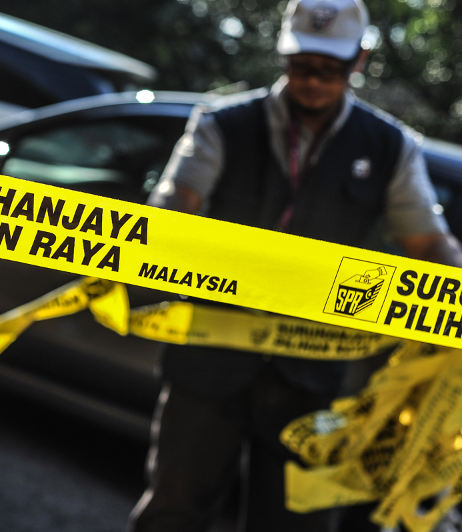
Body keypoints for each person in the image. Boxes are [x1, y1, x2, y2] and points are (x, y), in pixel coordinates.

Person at [128, 0, 462, 530]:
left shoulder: (391, 147)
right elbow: (169, 216)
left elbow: (431, 245)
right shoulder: (222, 125)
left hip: (312, 382)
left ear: (360, 60)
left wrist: (453, 304)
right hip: (211, 365)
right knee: (174, 513)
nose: (312, 82)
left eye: (329, 70)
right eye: (301, 65)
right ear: (284, 56)